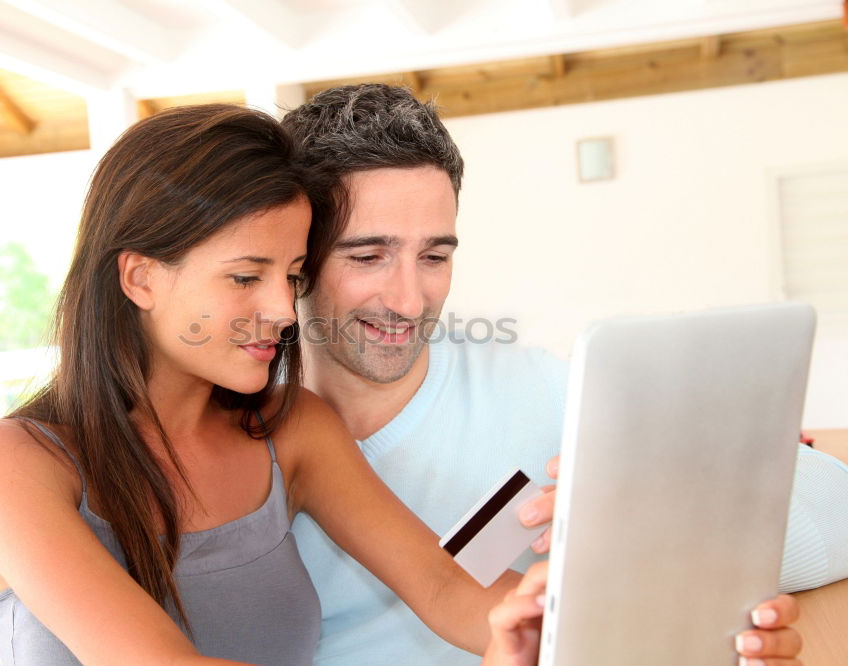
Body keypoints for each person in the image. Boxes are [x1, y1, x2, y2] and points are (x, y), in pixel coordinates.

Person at [282, 83, 846, 664]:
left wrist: (644, 523)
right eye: (368, 256)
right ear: (298, 257)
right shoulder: (234, 429)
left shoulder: (549, 393)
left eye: (434, 257)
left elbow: (836, 506)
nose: (408, 300)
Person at [0, 104, 538, 665]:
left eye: (290, 276)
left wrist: (553, 603)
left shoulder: (293, 430)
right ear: (140, 277)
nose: (285, 309)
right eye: (245, 276)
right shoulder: (10, 461)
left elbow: (442, 586)